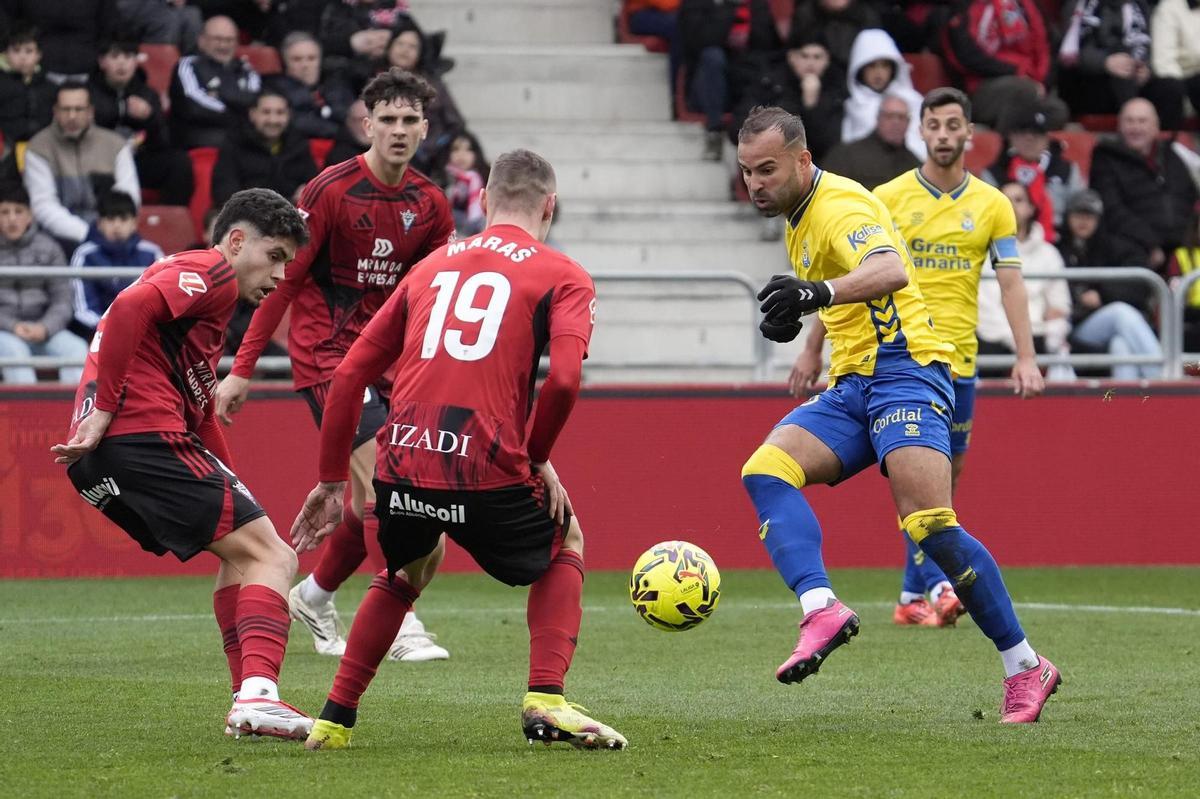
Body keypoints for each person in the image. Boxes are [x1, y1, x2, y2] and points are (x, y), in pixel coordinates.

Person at [292, 148, 626, 752]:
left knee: (406, 570)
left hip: (403, 457)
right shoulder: (564, 273)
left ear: (485, 200)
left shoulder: (430, 266)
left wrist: (330, 479)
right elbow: (565, 380)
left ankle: (333, 722)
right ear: (550, 206)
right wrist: (537, 456)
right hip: (484, 461)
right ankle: (547, 699)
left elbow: (348, 376)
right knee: (566, 539)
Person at [736, 104, 1060, 722]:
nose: (755, 184)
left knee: (930, 525)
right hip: (854, 382)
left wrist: (817, 292)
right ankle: (820, 608)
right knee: (766, 470)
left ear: (803, 160)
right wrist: (805, 316)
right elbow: (840, 295)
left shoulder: (839, 205)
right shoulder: (798, 217)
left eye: (767, 170)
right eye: (747, 171)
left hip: (907, 371)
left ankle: (1026, 665)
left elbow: (890, 269)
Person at [50, 188, 314, 740]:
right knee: (274, 557)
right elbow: (128, 308)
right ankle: (260, 695)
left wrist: (242, 496)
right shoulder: (210, 271)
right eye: (275, 256)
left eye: (288, 263)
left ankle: (247, 698)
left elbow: (203, 415)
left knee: (243, 557)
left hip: (98, 463)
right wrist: (105, 409)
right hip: (138, 437)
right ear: (236, 242)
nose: (281, 276)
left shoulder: (200, 319)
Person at [215, 68, 455, 662]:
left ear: (425, 128)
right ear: (366, 124)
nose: (398, 130)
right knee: (389, 482)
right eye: (387, 119)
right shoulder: (330, 191)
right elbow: (285, 282)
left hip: (394, 363)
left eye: (409, 120)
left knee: (370, 503)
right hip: (328, 357)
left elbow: (435, 296)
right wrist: (243, 366)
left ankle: (315, 596)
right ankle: (399, 621)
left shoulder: (430, 204)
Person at [854, 88, 1044, 626]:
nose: (942, 134)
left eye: (952, 125)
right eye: (933, 125)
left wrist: (1026, 356)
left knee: (946, 481)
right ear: (921, 131)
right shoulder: (888, 198)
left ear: (969, 132)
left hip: (960, 361)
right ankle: (939, 585)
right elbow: (854, 273)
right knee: (919, 481)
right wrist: (814, 348)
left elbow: (1011, 283)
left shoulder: (993, 205)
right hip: (904, 360)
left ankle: (909, 597)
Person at [1057, 188, 1163, 379]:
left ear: (1099, 219)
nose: (1083, 221)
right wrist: (1080, 298)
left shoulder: (1114, 247)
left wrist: (1103, 294)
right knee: (1120, 313)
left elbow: (1140, 285)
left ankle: (1126, 398)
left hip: (1109, 323)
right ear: (1068, 216)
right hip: (1073, 328)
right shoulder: (1058, 250)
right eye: (1078, 214)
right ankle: (1166, 380)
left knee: (1120, 344)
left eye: (1089, 215)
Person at [23, 81, 140, 251]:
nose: (72, 116)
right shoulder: (38, 147)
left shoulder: (116, 145)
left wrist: (110, 229)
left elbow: (128, 197)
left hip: (111, 235)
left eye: (79, 109)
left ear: (90, 111)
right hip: (58, 240)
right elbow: (43, 206)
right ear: (55, 111)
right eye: (66, 109)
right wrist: (87, 233)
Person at [1088, 98, 1197, 277]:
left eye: (1142, 121)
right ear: (1119, 126)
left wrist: (1189, 239)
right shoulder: (1105, 159)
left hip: (1182, 246)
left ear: (1156, 127)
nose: (1136, 127)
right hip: (1137, 249)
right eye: (1129, 121)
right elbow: (1112, 211)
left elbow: (1190, 197)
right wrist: (1151, 243)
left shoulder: (1172, 156)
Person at [976, 181, 1073, 376]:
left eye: (1018, 200)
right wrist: (1019, 342)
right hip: (995, 342)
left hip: (1042, 338)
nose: (1011, 205)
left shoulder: (1049, 253)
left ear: (1031, 208)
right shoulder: (981, 251)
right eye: (1005, 200)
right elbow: (985, 312)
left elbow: (1060, 309)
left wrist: (1046, 339)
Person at [89, 38, 194, 207]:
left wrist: (149, 118)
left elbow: (163, 141)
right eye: (115, 57)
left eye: (128, 56)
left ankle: (170, 216)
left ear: (136, 61)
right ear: (102, 62)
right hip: (100, 160)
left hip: (138, 159)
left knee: (179, 162)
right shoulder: (89, 91)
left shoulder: (148, 93)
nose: (122, 63)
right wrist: (122, 109)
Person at [0, 181, 87, 384]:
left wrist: (45, 327)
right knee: (15, 354)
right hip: (4, 331)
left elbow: (63, 299)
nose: (12, 218)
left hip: (45, 328)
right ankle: (27, 407)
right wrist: (13, 326)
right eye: (4, 212)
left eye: (18, 211)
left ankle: (74, 406)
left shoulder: (49, 248)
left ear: (30, 215)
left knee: (77, 349)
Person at [1059, 0, 1185, 130]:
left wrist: (1146, 69)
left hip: (1133, 80)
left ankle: (1165, 140)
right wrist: (1106, 62)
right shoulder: (1081, 4)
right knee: (1118, 76)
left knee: (1170, 88)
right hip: (1094, 80)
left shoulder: (1141, 6)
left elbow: (1151, 47)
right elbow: (1072, 51)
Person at [69, 190, 163, 341]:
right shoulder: (85, 254)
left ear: (134, 223)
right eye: (110, 219)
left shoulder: (152, 253)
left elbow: (160, 301)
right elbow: (83, 308)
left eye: (123, 219)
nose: (117, 225)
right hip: (99, 335)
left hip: (145, 333)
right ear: (99, 223)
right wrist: (110, 329)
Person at [983, 102, 1085, 241]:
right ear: (1011, 137)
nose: (1029, 138)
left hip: (1059, 241)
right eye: (1022, 132)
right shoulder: (994, 173)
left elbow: (1080, 209)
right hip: (1006, 240)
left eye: (1037, 133)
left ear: (1047, 138)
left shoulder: (1066, 170)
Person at [211, 89, 319, 207]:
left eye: (280, 112)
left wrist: (307, 191)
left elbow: (314, 183)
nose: (273, 120)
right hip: (246, 214)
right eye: (266, 112)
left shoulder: (299, 144)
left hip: (291, 212)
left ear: (289, 115)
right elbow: (224, 193)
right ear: (252, 114)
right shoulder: (234, 143)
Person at [169, 16, 262, 150]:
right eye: (217, 39)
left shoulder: (245, 69)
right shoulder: (188, 65)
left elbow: (256, 101)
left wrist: (219, 94)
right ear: (202, 40)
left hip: (244, 141)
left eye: (229, 40)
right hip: (200, 142)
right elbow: (194, 108)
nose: (223, 45)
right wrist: (239, 112)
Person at [841, 29, 926, 159]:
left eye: (884, 66)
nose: (878, 73)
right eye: (872, 66)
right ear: (860, 68)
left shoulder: (912, 101)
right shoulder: (854, 106)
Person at [265, 32, 355, 142]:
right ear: (285, 63)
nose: (305, 65)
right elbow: (296, 122)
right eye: (297, 59)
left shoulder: (336, 85)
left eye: (311, 58)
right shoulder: (275, 90)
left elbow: (351, 115)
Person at [822, 94, 919, 190]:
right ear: (878, 118)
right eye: (889, 116)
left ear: (908, 122)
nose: (896, 122)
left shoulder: (914, 167)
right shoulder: (846, 155)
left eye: (901, 117)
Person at [0, 25, 55, 158]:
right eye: (16, 51)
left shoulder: (49, 86)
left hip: (43, 145)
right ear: (5, 54)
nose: (22, 57)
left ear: (39, 55)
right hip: (5, 146)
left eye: (29, 51)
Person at [442, 132, 487, 236]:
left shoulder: (488, 180)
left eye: (468, 149)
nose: (461, 155)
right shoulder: (441, 181)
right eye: (456, 149)